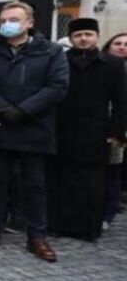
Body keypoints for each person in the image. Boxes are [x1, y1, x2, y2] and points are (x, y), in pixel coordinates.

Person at [0, 1, 69, 262]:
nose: (7, 25)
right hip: (0, 125)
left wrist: (24, 110)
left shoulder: (51, 51)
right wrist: (2, 108)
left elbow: (57, 86)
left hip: (35, 127)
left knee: (35, 185)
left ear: (29, 23)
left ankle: (37, 236)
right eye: (3, 21)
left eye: (13, 19)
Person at [47, 18, 126, 241]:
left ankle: (88, 227)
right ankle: (59, 224)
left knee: (92, 180)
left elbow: (120, 100)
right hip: (63, 127)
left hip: (96, 131)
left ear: (97, 36)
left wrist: (116, 131)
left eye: (88, 34)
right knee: (61, 177)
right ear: (71, 38)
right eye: (78, 35)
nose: (83, 39)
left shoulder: (112, 64)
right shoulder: (60, 60)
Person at [104, 31, 127, 230]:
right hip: (104, 126)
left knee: (113, 170)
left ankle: (109, 211)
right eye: (117, 43)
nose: (122, 47)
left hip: (119, 127)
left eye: (125, 44)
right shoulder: (105, 66)